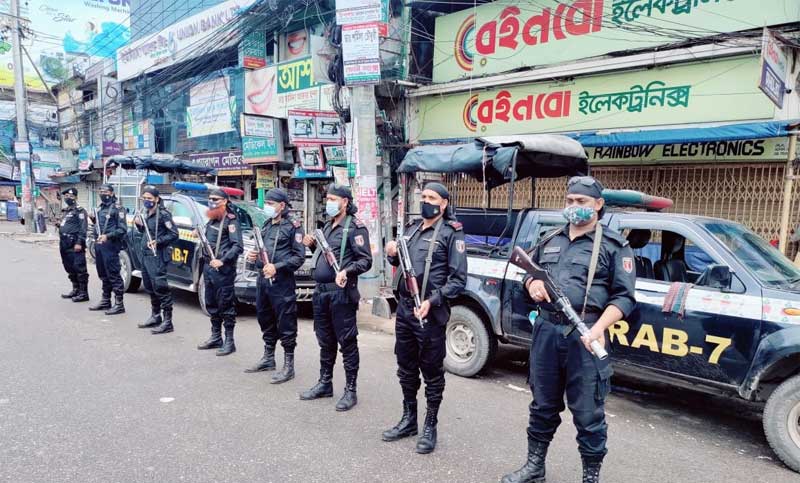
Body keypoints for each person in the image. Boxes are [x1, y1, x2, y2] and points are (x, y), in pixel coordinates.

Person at [501, 176, 636, 483]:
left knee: (588, 414)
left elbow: (625, 298)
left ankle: (590, 476)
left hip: (586, 335)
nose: (574, 207)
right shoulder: (550, 238)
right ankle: (535, 468)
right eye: (570, 201)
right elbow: (528, 274)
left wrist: (599, 328)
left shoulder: (614, 246)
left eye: (582, 202)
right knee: (542, 405)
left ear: (598, 205)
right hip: (547, 331)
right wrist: (531, 284)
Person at [383, 182, 467, 454]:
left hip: (430, 313)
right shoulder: (412, 228)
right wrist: (391, 254)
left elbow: (458, 280)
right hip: (405, 310)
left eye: (432, 197)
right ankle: (409, 419)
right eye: (424, 196)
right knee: (405, 367)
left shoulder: (451, 233)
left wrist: (433, 301)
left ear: (444, 203)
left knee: (431, 372)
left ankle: (430, 425)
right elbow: (401, 265)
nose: (426, 201)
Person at [299, 184, 372, 412]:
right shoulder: (328, 227)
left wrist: (347, 271)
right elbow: (326, 259)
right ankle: (325, 383)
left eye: (333, 199)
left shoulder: (355, 228)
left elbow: (365, 261)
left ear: (345, 202)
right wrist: (313, 246)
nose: (328, 202)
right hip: (321, 293)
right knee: (325, 340)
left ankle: (350, 390)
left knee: (347, 342)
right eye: (327, 198)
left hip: (341, 294)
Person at [244, 188, 306, 384]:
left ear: (282, 205)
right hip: (263, 281)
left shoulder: (293, 227)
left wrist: (277, 267)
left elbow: (299, 257)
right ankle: (268, 357)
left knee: (286, 322)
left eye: (271, 204)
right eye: (267, 203)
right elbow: (262, 251)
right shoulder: (266, 225)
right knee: (265, 318)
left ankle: (288, 365)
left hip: (282, 283)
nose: (268, 207)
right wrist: (253, 257)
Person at [196, 188, 243, 356]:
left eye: (215, 199)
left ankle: (229, 341)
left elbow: (237, 246)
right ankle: (216, 337)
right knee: (211, 303)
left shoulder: (231, 221)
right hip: (209, 268)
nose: (212, 201)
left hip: (223, 271)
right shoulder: (212, 219)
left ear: (224, 201)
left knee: (226, 305)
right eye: (210, 198)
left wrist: (222, 260)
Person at [134, 186, 179, 334]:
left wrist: (158, 241)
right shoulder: (147, 213)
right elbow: (147, 232)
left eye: (150, 198)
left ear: (157, 199)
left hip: (158, 256)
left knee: (160, 287)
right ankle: (155, 315)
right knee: (150, 286)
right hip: (146, 255)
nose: (146, 201)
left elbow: (174, 234)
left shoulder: (163, 215)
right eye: (144, 198)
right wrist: (139, 225)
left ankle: (168, 321)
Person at [88, 184, 127, 315]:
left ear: (111, 193)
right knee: (103, 274)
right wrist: (93, 220)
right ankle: (106, 300)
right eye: (100, 191)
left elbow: (122, 229)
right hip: (99, 245)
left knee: (113, 274)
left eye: (105, 191)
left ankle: (119, 304)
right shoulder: (99, 208)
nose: (102, 193)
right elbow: (99, 226)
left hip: (110, 245)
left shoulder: (118, 208)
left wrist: (108, 236)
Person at [57, 188, 90, 303]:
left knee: (79, 267)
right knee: (69, 267)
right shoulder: (66, 211)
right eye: (66, 196)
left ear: (76, 197)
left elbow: (83, 228)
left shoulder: (80, 211)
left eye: (71, 196)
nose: (68, 198)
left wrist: (79, 242)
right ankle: (76, 289)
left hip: (74, 243)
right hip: (64, 242)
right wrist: (60, 225)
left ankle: (83, 293)